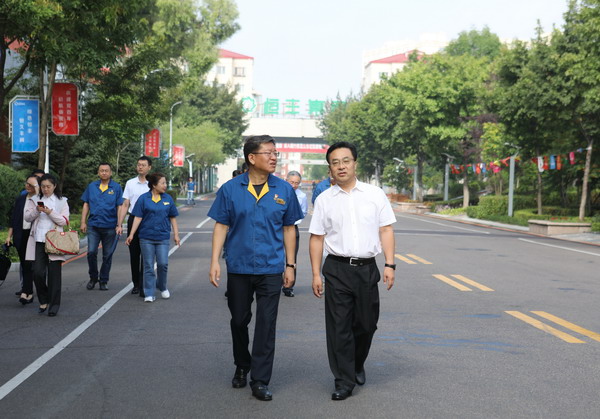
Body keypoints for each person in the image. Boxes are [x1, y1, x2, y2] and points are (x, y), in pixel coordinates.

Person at [208, 135, 303, 401]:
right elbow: (221, 226)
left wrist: (291, 265)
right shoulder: (230, 189)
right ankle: (242, 363)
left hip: (271, 268)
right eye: (269, 153)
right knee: (239, 320)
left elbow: (289, 229)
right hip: (238, 266)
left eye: (276, 153)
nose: (274, 157)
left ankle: (260, 380)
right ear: (251, 158)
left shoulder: (284, 190)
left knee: (266, 323)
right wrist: (215, 261)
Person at [309, 141, 397, 401]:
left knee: (367, 324)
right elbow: (316, 238)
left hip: (367, 269)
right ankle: (343, 380)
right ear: (330, 168)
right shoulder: (324, 200)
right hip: (336, 268)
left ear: (355, 163)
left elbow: (386, 230)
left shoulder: (374, 194)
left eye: (345, 161)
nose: (341, 166)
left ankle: (357, 363)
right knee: (339, 327)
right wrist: (316, 273)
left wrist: (389, 264)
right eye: (335, 163)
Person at [126, 173, 180, 302]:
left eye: (165, 183)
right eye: (163, 183)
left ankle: (162, 286)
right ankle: (149, 292)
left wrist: (176, 235)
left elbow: (173, 218)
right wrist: (132, 234)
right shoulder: (143, 199)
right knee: (148, 266)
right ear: (154, 185)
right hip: (146, 237)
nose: (165, 185)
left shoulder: (168, 198)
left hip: (162, 237)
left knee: (163, 264)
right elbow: (138, 217)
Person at [24, 174, 70, 317]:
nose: (45, 189)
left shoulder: (61, 202)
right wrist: (37, 211)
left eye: (48, 186)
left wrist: (49, 212)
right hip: (38, 240)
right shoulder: (35, 200)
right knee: (37, 272)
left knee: (54, 275)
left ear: (54, 186)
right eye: (43, 186)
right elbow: (27, 217)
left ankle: (54, 306)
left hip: (54, 241)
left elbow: (64, 221)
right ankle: (43, 300)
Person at [81, 163, 124, 291]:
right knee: (91, 252)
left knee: (107, 255)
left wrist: (119, 225)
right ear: (98, 173)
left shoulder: (116, 187)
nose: (104, 173)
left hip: (110, 226)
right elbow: (86, 204)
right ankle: (93, 277)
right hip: (94, 225)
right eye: (101, 171)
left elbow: (120, 206)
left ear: (110, 173)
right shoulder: (92, 186)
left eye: (106, 171)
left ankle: (104, 280)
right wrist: (83, 222)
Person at [119, 156, 152, 296]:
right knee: (134, 253)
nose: (140, 167)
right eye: (139, 165)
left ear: (149, 167)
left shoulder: (153, 183)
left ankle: (145, 283)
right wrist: (119, 223)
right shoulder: (130, 183)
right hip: (133, 219)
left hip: (149, 220)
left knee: (147, 253)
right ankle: (136, 284)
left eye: (143, 165)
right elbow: (125, 204)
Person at [6, 175, 39, 304]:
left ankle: (33, 291)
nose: (28, 186)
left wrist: (37, 189)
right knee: (25, 264)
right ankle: (27, 292)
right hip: (21, 234)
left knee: (33, 266)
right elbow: (14, 219)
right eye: (27, 184)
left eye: (31, 185)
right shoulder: (21, 199)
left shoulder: (40, 199)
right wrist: (9, 236)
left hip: (35, 235)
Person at [282, 170, 307, 297]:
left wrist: (292, 220)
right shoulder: (279, 192)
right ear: (286, 180)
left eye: (297, 183)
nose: (294, 185)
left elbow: (303, 212)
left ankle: (289, 286)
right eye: (291, 182)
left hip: (292, 227)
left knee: (291, 257)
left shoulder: (302, 196)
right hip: (277, 228)